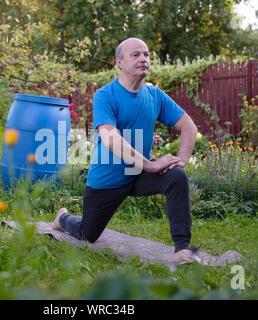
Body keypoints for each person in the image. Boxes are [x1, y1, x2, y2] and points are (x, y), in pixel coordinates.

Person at [52, 37, 201, 265]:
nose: (143, 59)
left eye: (146, 54)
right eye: (136, 55)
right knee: (87, 234)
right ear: (119, 62)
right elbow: (110, 138)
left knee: (177, 177)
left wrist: (181, 160)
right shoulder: (105, 95)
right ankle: (62, 218)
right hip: (107, 180)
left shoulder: (155, 95)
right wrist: (151, 164)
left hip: (139, 174)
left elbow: (188, 126)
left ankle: (183, 250)